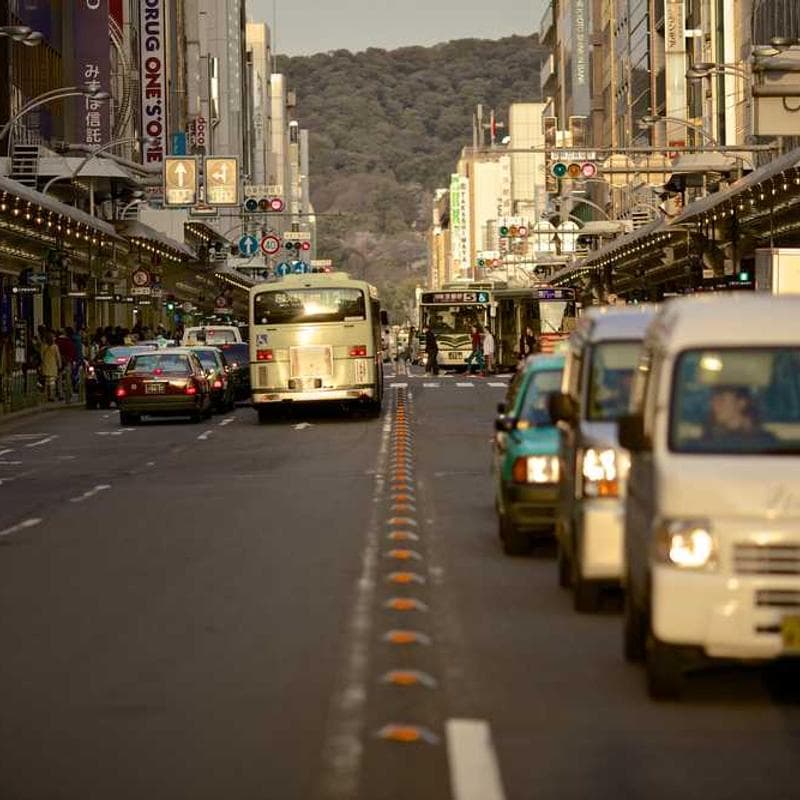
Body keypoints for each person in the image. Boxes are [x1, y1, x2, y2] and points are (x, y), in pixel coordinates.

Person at [701, 385, 777, 447]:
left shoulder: (764, 442)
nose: (715, 406)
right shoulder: (710, 440)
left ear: (741, 403)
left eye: (721, 400)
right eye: (713, 401)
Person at [41, 333, 62, 401]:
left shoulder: (44, 346)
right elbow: (58, 357)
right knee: (52, 382)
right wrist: (59, 365)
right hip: (53, 365)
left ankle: (46, 395)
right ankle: (52, 396)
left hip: (45, 365)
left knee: (47, 381)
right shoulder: (55, 347)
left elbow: (41, 356)